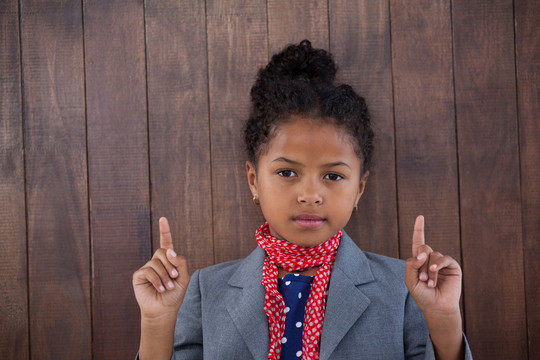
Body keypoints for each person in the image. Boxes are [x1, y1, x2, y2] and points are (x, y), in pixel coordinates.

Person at [133, 40, 472, 360]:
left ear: (360, 188)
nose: (310, 195)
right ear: (254, 179)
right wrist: (157, 322)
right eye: (287, 173)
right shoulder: (206, 290)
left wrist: (444, 318)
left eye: (334, 176)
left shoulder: (404, 289)